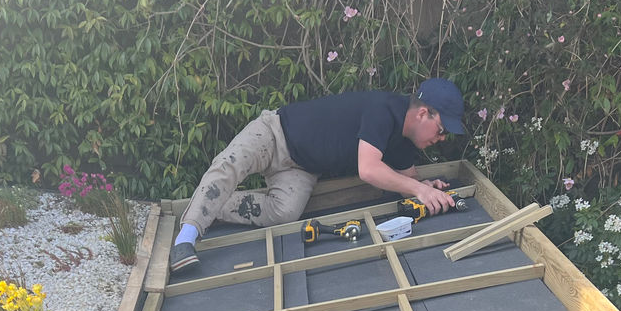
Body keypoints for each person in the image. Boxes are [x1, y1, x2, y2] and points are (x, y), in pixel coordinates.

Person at [169, 77, 467, 273]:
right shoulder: (385, 108)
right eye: (442, 130)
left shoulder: (403, 143)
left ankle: (211, 208)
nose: (441, 139)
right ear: (423, 113)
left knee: (284, 213)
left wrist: (426, 188)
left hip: (302, 168)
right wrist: (419, 190)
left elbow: (406, 182)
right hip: (275, 133)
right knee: (229, 166)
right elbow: (369, 168)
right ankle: (187, 237)